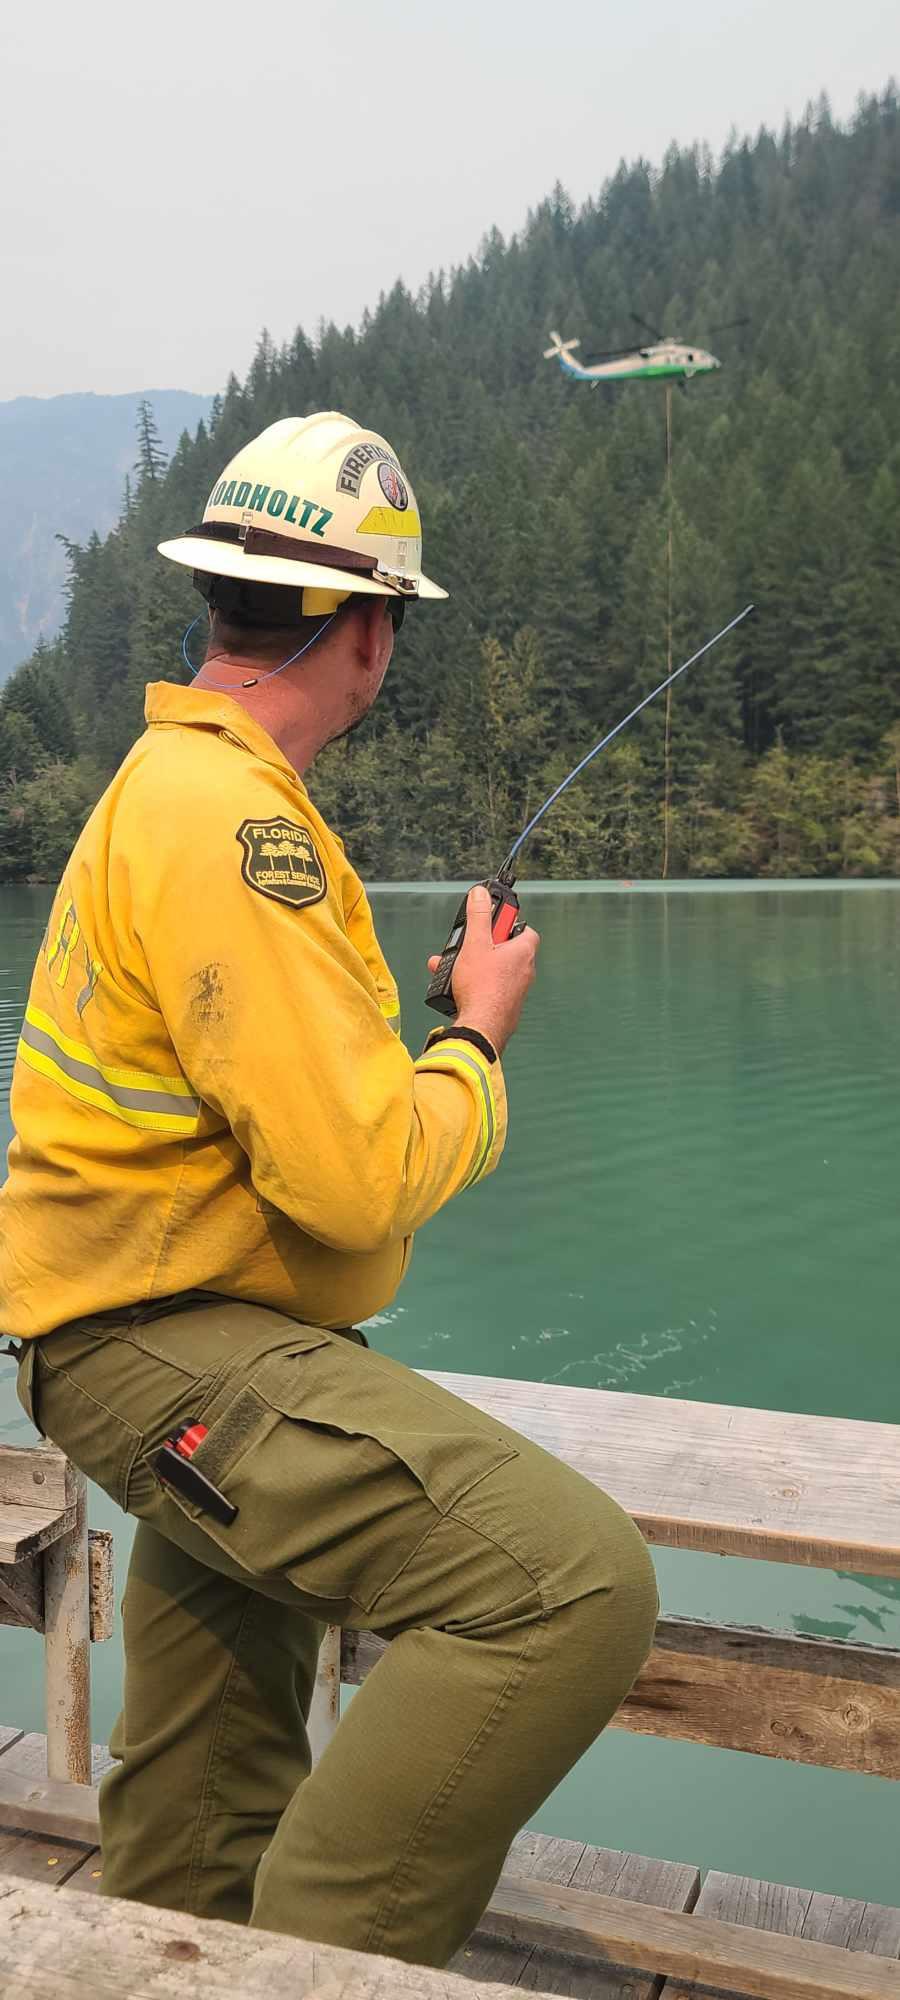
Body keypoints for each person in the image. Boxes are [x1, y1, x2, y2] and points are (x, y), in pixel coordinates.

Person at [0, 412, 657, 1967]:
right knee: (571, 1583)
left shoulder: (173, 793)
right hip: (173, 1350)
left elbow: (287, 1111)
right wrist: (477, 1045)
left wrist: (418, 1041)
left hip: (136, 1347)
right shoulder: (237, 828)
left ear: (221, 601)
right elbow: (360, 1185)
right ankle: (321, 1961)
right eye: (391, 624)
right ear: (363, 630)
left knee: (205, 1799)